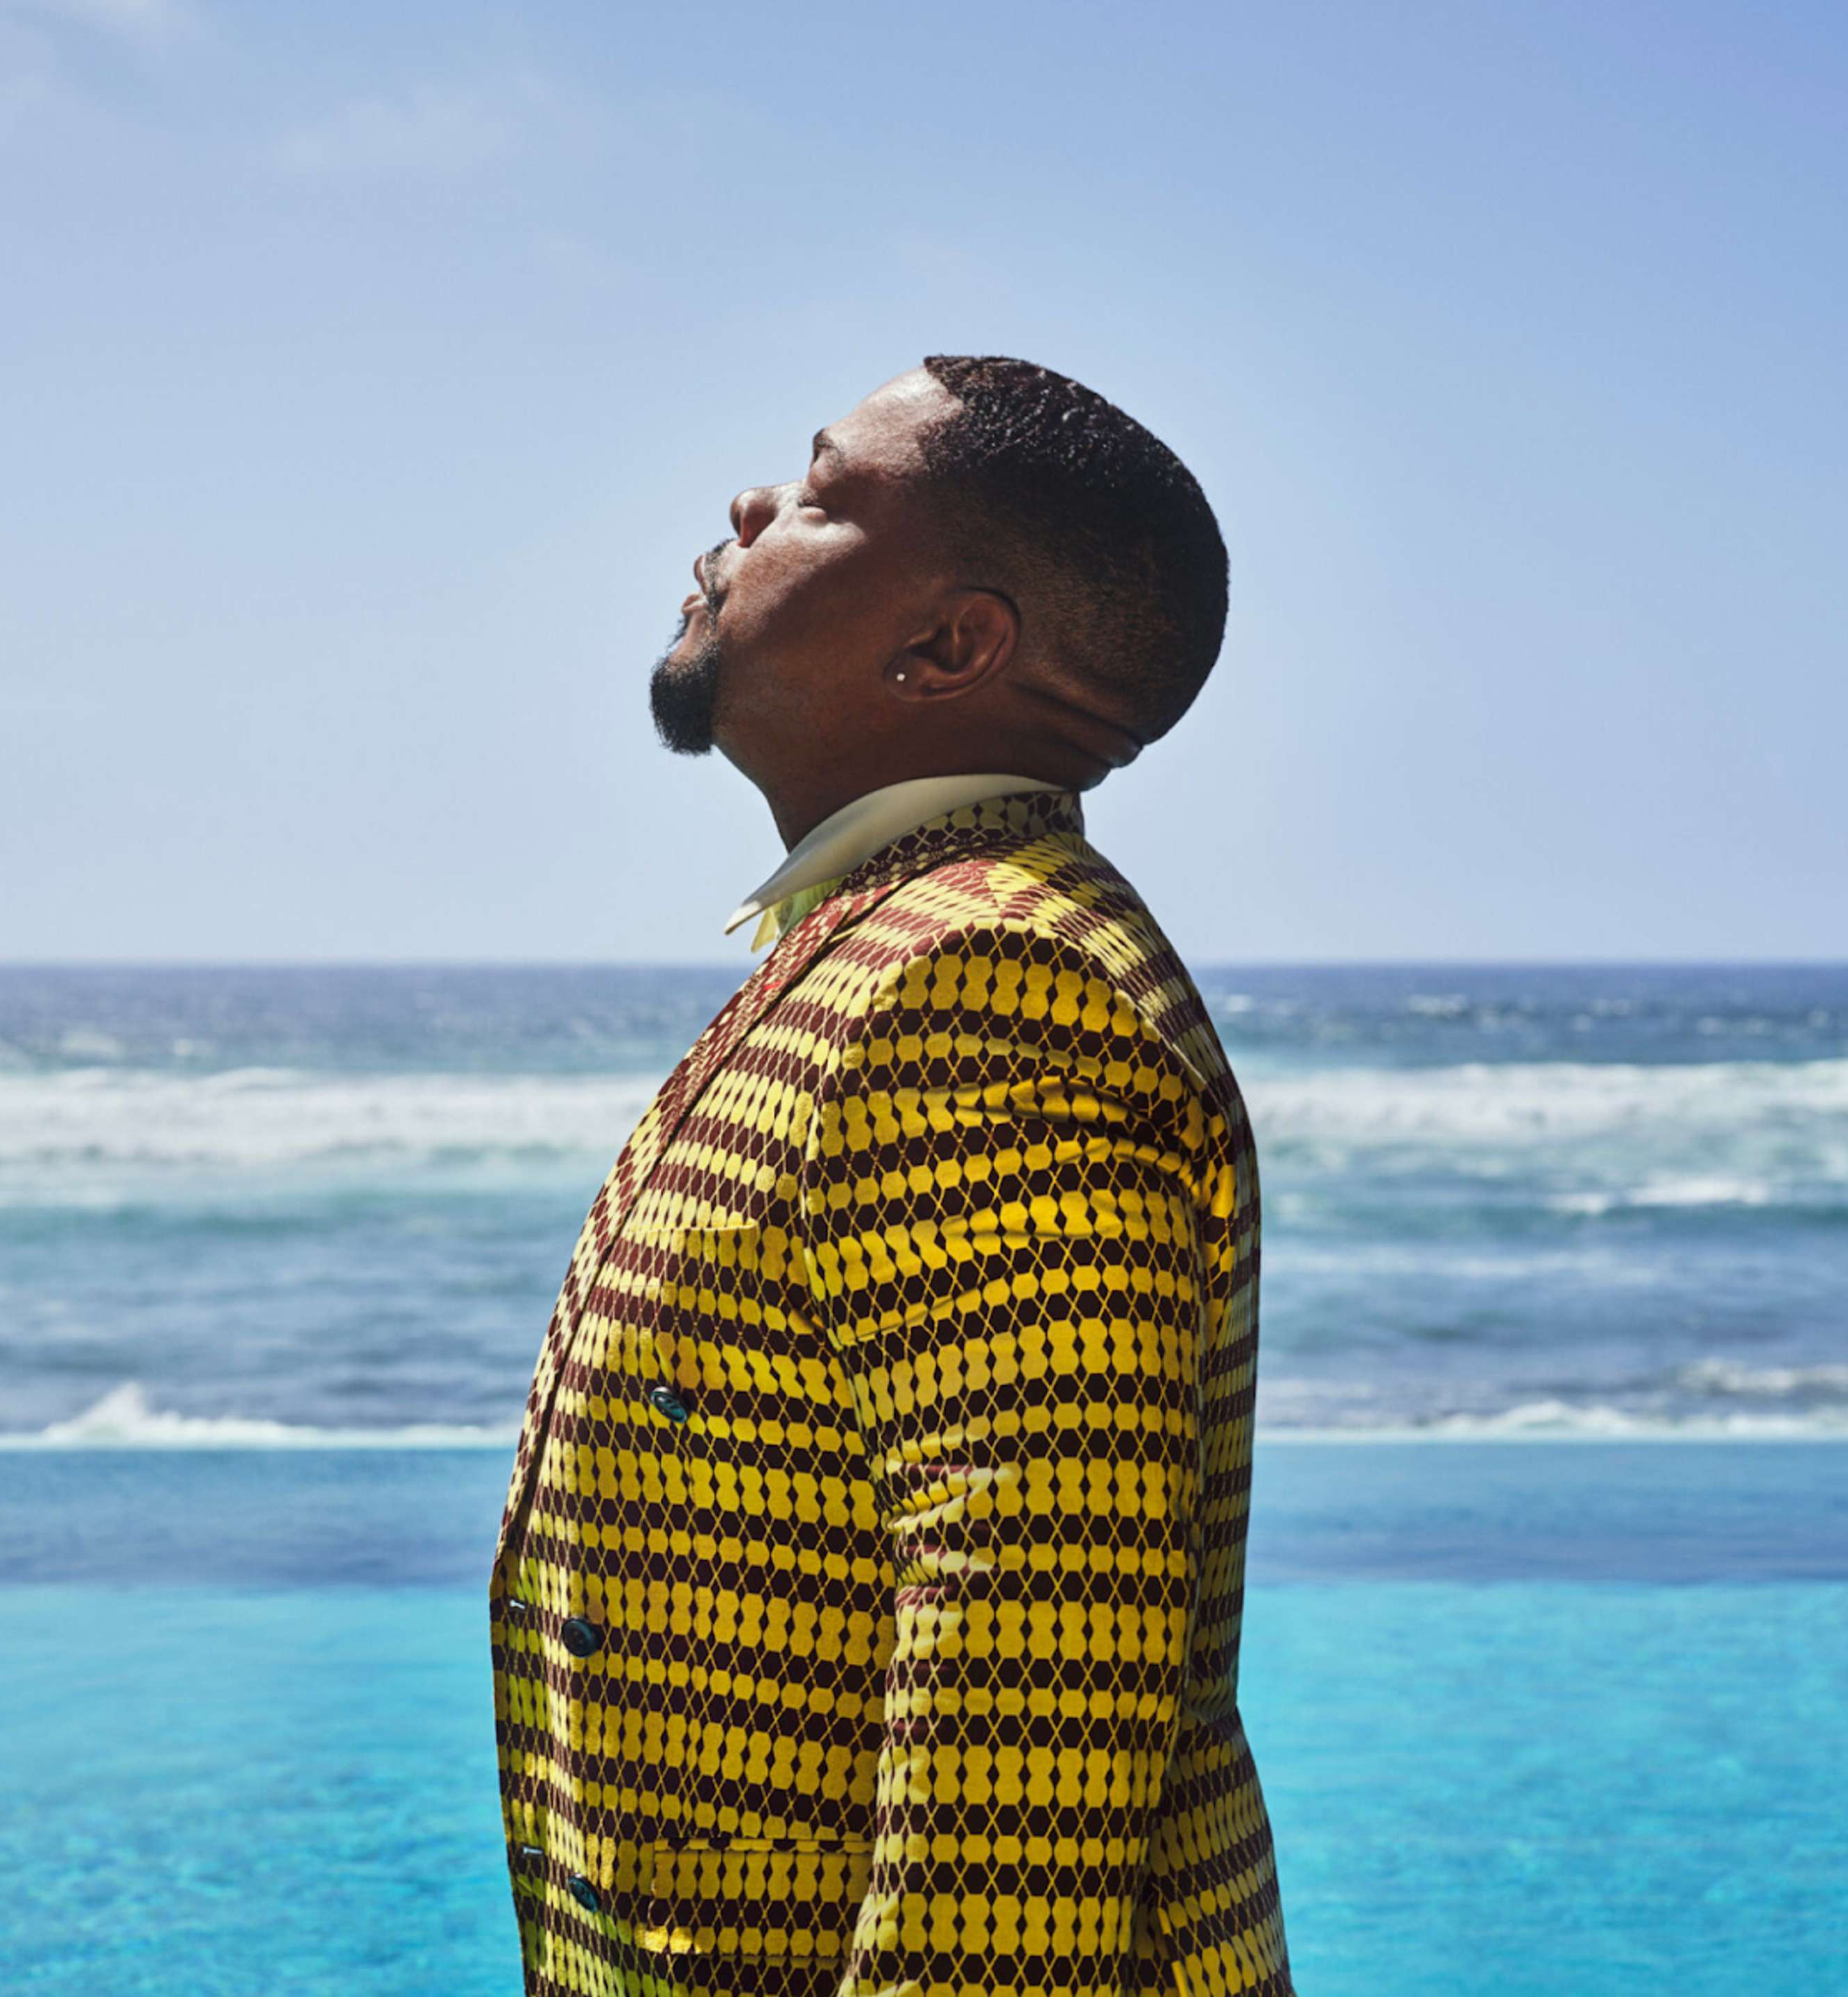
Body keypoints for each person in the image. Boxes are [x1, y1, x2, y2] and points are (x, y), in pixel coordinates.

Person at [487, 354, 1293, 1996]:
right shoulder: (896, 936)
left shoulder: (996, 979)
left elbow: (1038, 1658)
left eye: (819, 493)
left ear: (948, 644)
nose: (746, 510)